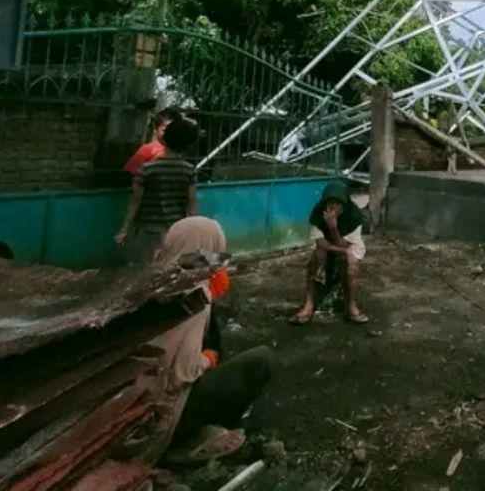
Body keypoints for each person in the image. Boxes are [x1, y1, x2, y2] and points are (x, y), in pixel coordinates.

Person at [135, 217, 273, 463]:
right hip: (160, 414)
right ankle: (193, 437)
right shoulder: (190, 295)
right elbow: (182, 373)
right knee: (260, 360)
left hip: (131, 405)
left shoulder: (153, 277)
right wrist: (207, 360)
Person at [116, 117, 199, 265]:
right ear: (188, 145)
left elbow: (135, 200)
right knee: (169, 269)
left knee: (146, 270)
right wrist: (195, 229)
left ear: (164, 138)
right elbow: (191, 201)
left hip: (149, 230)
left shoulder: (147, 169)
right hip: (176, 230)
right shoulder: (189, 170)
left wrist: (124, 229)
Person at [291, 180, 368, 324]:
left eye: (338, 203)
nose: (334, 207)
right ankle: (309, 304)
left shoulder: (354, 216)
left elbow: (345, 244)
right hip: (329, 246)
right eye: (330, 203)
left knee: (350, 265)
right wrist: (342, 250)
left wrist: (333, 228)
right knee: (315, 259)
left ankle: (351, 306)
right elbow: (321, 243)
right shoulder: (318, 212)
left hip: (348, 246)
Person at [124, 107, 183, 176]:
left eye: (174, 130)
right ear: (156, 129)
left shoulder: (177, 149)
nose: (169, 133)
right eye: (165, 130)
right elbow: (130, 174)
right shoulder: (148, 149)